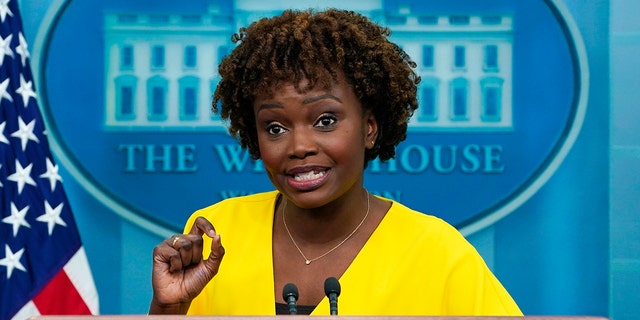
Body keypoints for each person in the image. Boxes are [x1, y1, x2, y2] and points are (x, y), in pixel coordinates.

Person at [149, 8, 522, 316]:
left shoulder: (439, 254)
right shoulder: (218, 233)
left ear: (370, 128)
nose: (299, 146)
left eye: (325, 121)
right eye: (275, 127)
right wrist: (169, 309)